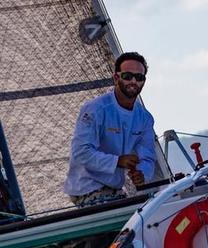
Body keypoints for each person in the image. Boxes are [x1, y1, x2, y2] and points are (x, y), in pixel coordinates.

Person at [63, 51, 157, 207]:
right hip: (86, 188)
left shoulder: (145, 118)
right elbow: (81, 152)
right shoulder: (95, 109)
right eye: (127, 76)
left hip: (114, 190)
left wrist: (142, 174)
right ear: (116, 78)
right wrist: (118, 161)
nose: (133, 81)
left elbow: (147, 158)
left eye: (139, 78)